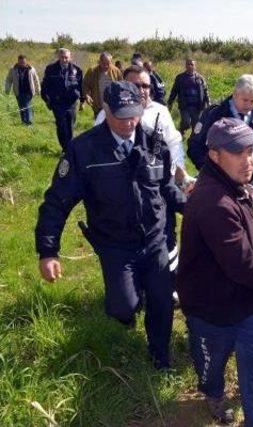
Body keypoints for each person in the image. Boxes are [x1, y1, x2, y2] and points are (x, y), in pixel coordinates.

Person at [35, 81, 186, 369]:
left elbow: (167, 188)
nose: (129, 122)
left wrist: (193, 209)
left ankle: (160, 356)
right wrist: (48, 250)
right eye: (121, 115)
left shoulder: (154, 143)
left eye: (134, 114)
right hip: (115, 245)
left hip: (154, 240)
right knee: (123, 308)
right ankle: (128, 302)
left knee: (163, 303)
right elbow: (57, 202)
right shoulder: (84, 150)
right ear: (105, 109)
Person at [177, 117, 253, 425]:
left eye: (251, 151)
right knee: (211, 370)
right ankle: (213, 394)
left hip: (248, 305)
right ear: (214, 155)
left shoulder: (235, 187)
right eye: (238, 152)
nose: (248, 160)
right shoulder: (215, 201)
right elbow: (241, 264)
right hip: (210, 311)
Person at [95, 65, 192, 297]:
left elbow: (174, 143)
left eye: (146, 85)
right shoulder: (105, 115)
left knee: (167, 233)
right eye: (136, 85)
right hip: (126, 192)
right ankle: (136, 286)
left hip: (161, 183)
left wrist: (179, 173)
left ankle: (169, 284)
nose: (142, 90)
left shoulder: (161, 111)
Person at [187, 74, 253, 183]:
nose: (248, 105)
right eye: (245, 100)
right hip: (218, 183)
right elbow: (195, 146)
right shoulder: (215, 114)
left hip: (248, 184)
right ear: (235, 94)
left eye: (252, 101)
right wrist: (209, 171)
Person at [41, 48, 85, 150]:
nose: (64, 60)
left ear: (70, 57)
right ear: (58, 57)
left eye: (66, 57)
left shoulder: (77, 70)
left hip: (72, 103)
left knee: (70, 126)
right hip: (57, 103)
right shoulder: (50, 69)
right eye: (62, 57)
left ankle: (69, 147)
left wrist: (82, 101)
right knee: (61, 125)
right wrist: (47, 100)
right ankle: (64, 147)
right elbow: (45, 86)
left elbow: (81, 87)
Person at [167, 59, 210, 135]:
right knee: (186, 122)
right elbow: (174, 91)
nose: (190, 66)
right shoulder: (180, 78)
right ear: (185, 66)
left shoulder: (200, 78)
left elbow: (206, 91)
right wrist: (170, 102)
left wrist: (208, 103)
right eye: (188, 64)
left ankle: (192, 141)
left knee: (196, 128)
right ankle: (181, 130)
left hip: (197, 107)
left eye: (192, 64)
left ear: (195, 66)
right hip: (185, 106)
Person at [83, 52, 123, 117]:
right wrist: (87, 95)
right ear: (99, 62)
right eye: (103, 64)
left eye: (108, 63)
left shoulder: (116, 71)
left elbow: (122, 86)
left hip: (113, 106)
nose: (106, 66)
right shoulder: (92, 71)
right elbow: (85, 85)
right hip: (98, 105)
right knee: (99, 124)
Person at [4, 54, 40, 125]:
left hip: (29, 91)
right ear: (18, 61)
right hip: (18, 91)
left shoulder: (31, 69)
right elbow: (9, 79)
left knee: (27, 105)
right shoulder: (13, 69)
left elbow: (36, 79)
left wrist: (38, 89)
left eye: (23, 62)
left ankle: (29, 122)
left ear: (26, 61)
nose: (22, 64)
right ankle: (24, 121)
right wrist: (7, 89)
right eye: (20, 62)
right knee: (21, 107)